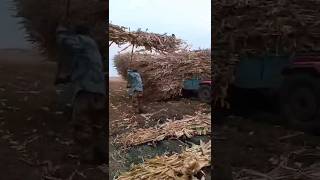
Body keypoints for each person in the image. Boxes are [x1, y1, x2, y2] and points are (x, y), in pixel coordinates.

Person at [55, 24, 107, 164]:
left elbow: (69, 43)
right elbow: (84, 67)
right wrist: (66, 78)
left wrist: (61, 34)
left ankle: (88, 156)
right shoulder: (91, 47)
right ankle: (100, 153)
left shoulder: (82, 40)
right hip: (98, 90)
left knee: (81, 122)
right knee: (95, 123)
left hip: (86, 90)